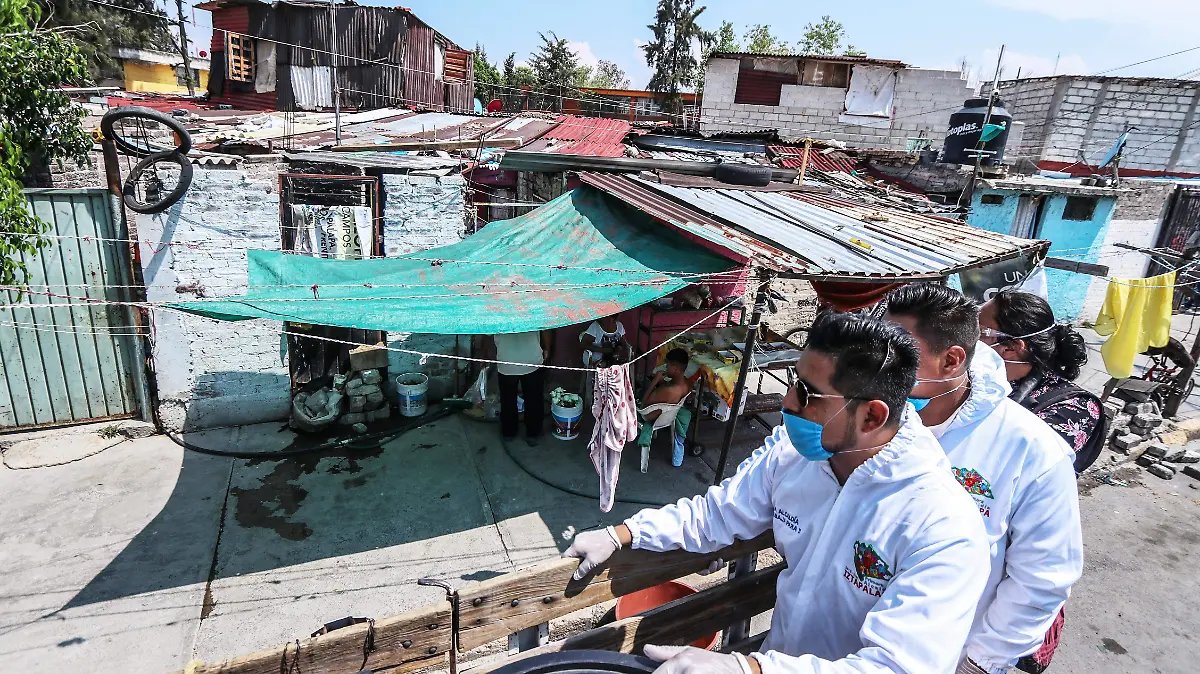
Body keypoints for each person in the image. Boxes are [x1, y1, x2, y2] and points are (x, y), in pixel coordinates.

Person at [564, 312, 991, 674]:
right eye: (793, 381)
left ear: (871, 416)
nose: (786, 403)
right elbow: (716, 515)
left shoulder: (942, 528)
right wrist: (622, 534)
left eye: (807, 393)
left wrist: (747, 668)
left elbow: (896, 667)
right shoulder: (793, 457)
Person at [882, 284, 1083, 674]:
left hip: (945, 654)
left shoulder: (1033, 449)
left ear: (952, 359)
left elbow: (1043, 575)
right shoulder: (875, 417)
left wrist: (981, 662)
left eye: (900, 352)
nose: (883, 364)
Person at [981, 290, 1106, 475]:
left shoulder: (1074, 408)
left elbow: (1006, 468)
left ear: (1011, 347)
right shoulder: (975, 378)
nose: (963, 336)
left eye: (977, 330)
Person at [490, 330, 551, 446]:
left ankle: (509, 432)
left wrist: (483, 352)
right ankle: (533, 433)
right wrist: (547, 348)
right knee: (534, 398)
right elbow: (546, 327)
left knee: (507, 399)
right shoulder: (535, 310)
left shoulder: (496, 311)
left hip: (506, 359)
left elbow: (486, 330)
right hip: (531, 359)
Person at [636, 348, 692, 469]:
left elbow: (644, 405)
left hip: (651, 416)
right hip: (671, 413)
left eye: (667, 365)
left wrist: (655, 382)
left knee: (639, 392)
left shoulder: (667, 390)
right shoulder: (687, 383)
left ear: (675, 367)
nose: (665, 368)